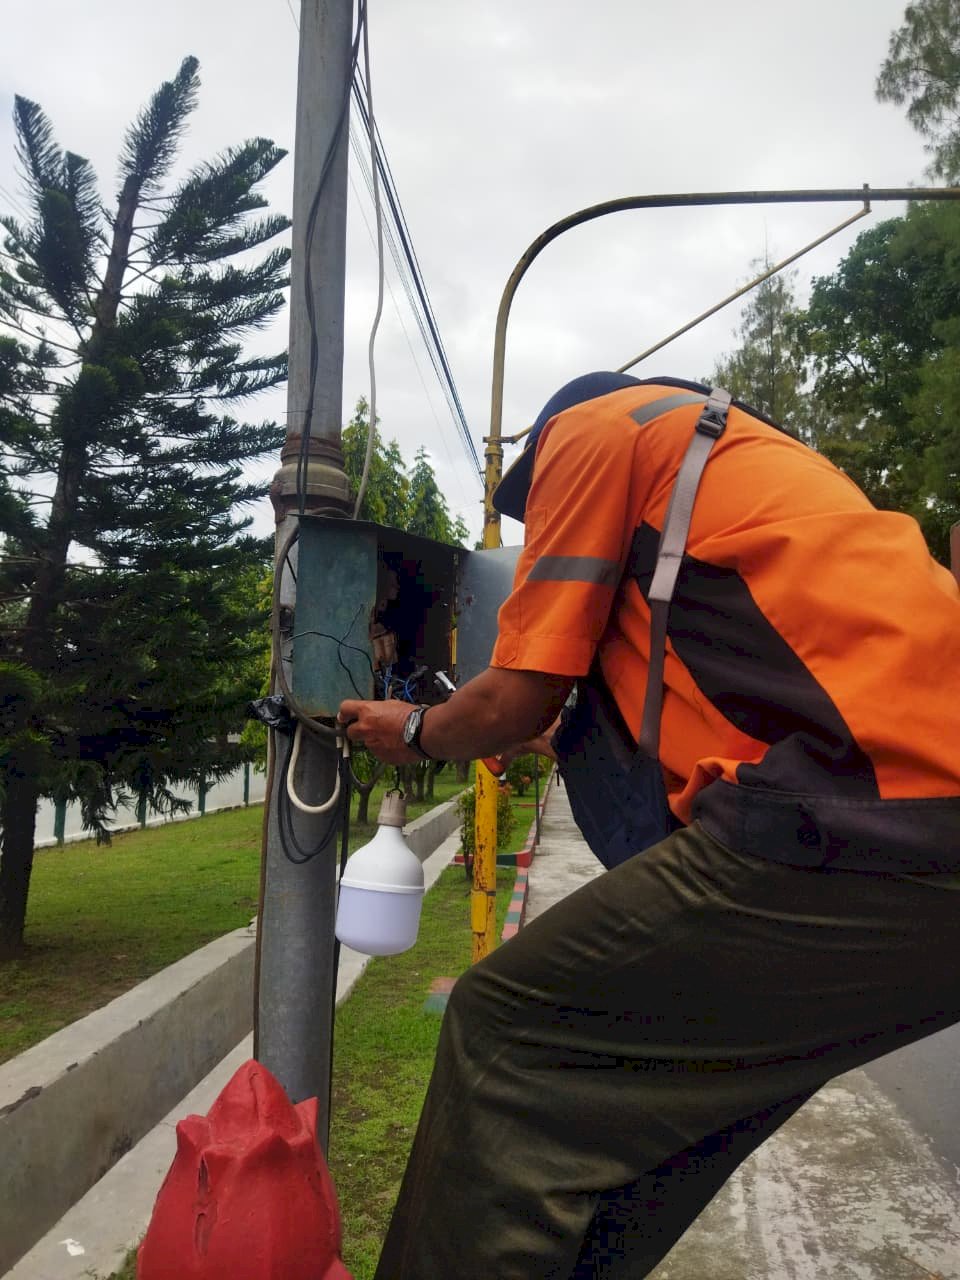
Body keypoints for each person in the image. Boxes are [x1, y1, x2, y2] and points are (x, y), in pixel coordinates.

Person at [337, 371, 960, 1279]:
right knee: (669, 1116)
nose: (534, 529)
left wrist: (422, 729)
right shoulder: (753, 479)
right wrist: (568, 736)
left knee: (505, 1034)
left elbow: (518, 692)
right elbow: (709, 698)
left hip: (868, 813)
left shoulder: (595, 430)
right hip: (909, 825)